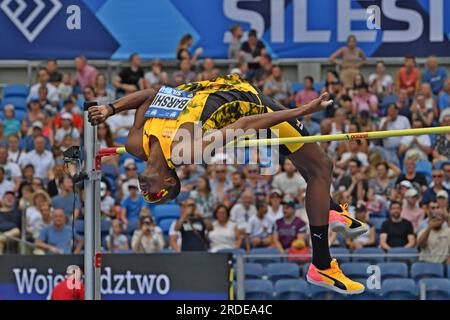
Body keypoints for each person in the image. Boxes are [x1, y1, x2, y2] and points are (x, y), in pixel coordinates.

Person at [88, 73, 370, 294]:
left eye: (148, 196)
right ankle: (321, 265)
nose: (144, 194)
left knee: (313, 166)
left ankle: (329, 208)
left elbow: (152, 94)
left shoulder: (137, 145)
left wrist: (110, 108)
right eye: (155, 196)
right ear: (168, 179)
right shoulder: (188, 151)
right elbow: (247, 124)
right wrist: (301, 110)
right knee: (322, 168)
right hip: (251, 102)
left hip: (219, 86)